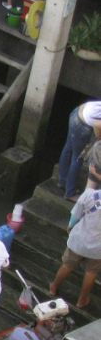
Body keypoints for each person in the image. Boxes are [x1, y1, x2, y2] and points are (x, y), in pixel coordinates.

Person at [49, 141, 101, 309]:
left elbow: (75, 215)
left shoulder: (89, 195)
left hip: (79, 239)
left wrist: (70, 227)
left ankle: (54, 287)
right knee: (91, 272)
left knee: (67, 265)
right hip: (97, 247)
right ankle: (82, 299)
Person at [57, 101, 101, 201]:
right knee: (78, 158)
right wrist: (98, 139)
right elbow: (97, 126)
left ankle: (62, 181)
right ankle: (70, 193)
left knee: (68, 149)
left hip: (76, 113)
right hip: (82, 126)